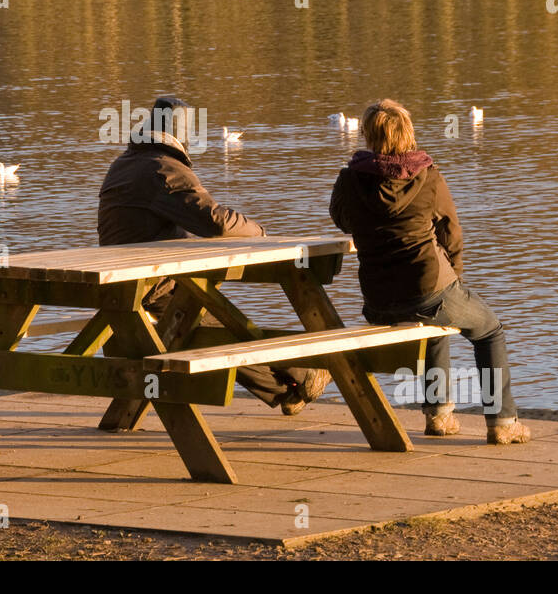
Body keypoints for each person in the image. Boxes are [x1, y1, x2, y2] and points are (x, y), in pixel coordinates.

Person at [98, 96, 331, 415]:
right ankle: (303, 374)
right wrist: (261, 234)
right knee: (220, 329)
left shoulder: (124, 164)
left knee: (218, 324)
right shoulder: (163, 169)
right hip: (150, 286)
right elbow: (216, 222)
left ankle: (287, 387)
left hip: (124, 283)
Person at [329, 99, 530, 445]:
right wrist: (455, 279)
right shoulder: (428, 175)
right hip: (428, 286)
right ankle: (503, 421)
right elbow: (451, 233)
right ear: (408, 133)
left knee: (435, 328)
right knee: (489, 331)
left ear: (367, 136)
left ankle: (438, 416)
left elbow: (342, 220)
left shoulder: (350, 178)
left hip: (378, 299)